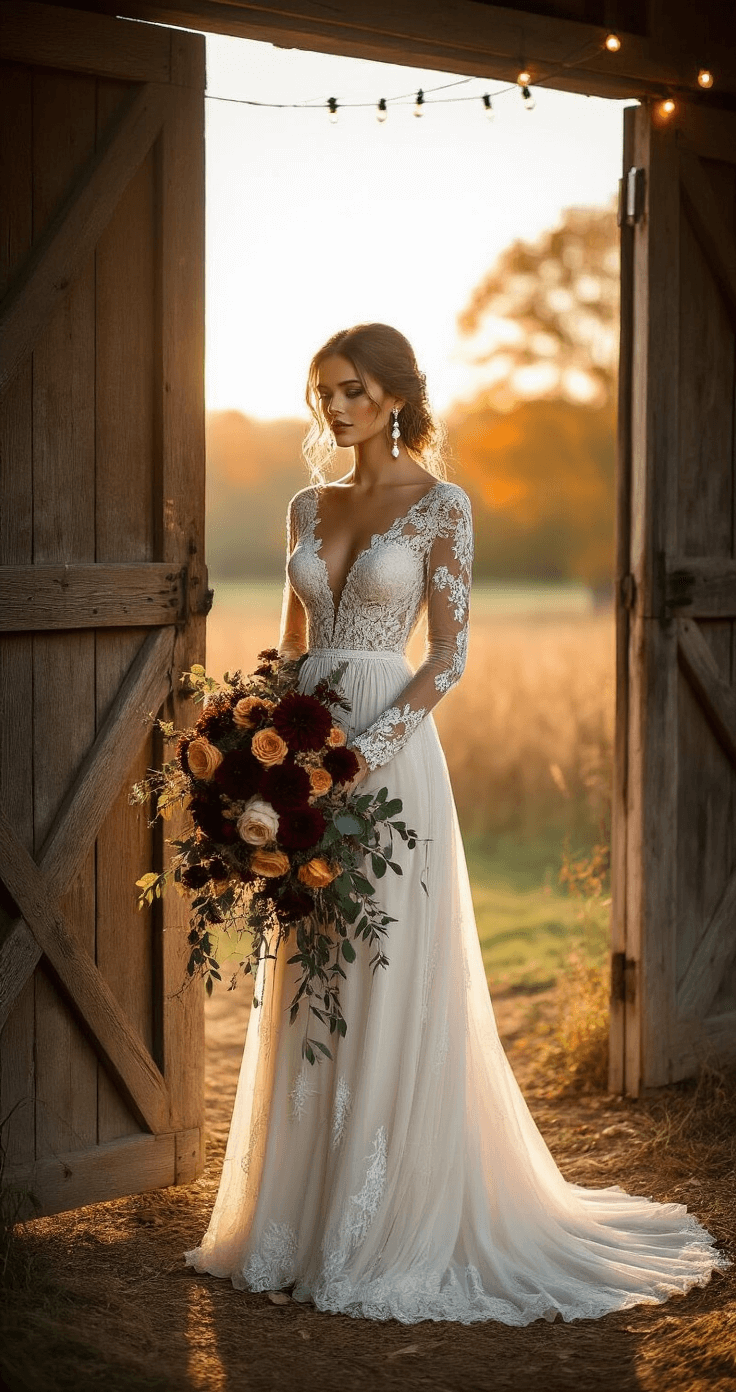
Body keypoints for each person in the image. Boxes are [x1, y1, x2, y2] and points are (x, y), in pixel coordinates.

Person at [186, 322, 727, 1324]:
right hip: (296, 759)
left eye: (349, 390)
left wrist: (362, 755)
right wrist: (251, 743)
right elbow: (289, 644)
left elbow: (447, 655)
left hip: (389, 764)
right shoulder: (307, 504)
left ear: (393, 396)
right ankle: (294, 1221)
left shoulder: (443, 507)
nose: (333, 408)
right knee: (310, 962)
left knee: (388, 965)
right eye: (321, 393)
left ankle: (389, 1217)